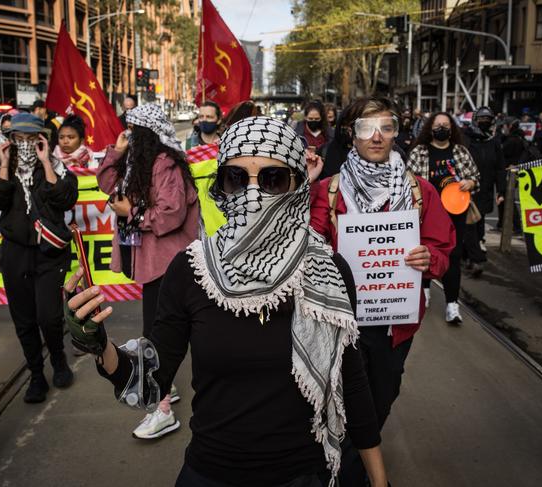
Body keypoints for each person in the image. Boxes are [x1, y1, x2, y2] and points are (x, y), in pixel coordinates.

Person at [68, 116, 389, 487]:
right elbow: (152, 383)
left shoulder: (329, 270)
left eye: (272, 179)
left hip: (308, 472)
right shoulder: (191, 271)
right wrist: (100, 345)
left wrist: (379, 480)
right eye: (237, 179)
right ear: (221, 187)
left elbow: (352, 383)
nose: (253, 196)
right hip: (213, 471)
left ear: (298, 185)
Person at [310, 97, 454, 486]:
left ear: (396, 132)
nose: (376, 137)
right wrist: (304, 186)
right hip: (341, 323)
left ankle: (350, 465)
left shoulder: (419, 190)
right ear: (350, 134)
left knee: (380, 400)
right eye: (365, 128)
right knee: (341, 403)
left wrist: (430, 260)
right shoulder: (327, 191)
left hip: (395, 325)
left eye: (386, 127)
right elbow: (305, 242)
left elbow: (442, 247)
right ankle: (353, 473)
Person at [96, 104, 200, 440]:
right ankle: (166, 385)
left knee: (157, 336)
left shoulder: (165, 164)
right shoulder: (135, 162)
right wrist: (116, 151)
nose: (128, 136)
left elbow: (170, 213)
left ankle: (162, 409)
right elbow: (105, 182)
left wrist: (134, 213)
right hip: (154, 261)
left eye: (132, 132)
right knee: (162, 332)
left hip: (169, 264)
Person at [0, 113, 78, 404]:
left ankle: (58, 360)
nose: (24, 145)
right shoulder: (0, 170)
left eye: (30, 139)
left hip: (49, 254)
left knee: (48, 316)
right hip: (15, 254)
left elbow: (65, 198)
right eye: (18, 139)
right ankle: (36, 374)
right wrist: (6, 165)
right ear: (9, 141)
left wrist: (47, 162)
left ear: (41, 140)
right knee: (23, 320)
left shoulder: (57, 168)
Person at [408, 111, 479, 324]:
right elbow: (407, 179)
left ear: (452, 128)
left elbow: (475, 176)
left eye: (445, 125)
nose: (441, 128)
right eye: (437, 125)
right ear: (430, 128)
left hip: (455, 213)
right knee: (425, 252)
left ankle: (452, 305)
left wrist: (470, 183)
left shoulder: (460, 152)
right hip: (426, 214)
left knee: (453, 256)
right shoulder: (419, 152)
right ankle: (425, 291)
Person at [464, 106, 506, 254]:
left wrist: (501, 191)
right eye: (482, 119)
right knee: (466, 219)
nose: (485, 121)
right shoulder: (466, 138)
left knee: (480, 218)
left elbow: (500, 168)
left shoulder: (494, 141)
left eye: (488, 119)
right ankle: (468, 248)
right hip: (466, 188)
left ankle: (478, 244)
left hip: (486, 188)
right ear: (475, 120)